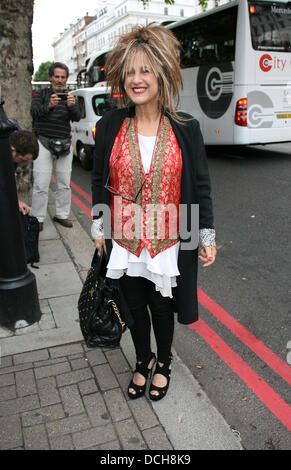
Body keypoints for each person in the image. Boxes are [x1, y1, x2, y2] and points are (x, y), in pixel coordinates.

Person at [91, 24, 217, 402]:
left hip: (167, 241)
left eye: (145, 70)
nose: (136, 79)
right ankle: (142, 359)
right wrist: (99, 227)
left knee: (162, 307)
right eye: (130, 71)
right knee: (133, 307)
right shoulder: (111, 123)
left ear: (162, 73)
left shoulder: (186, 128)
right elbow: (99, 178)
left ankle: (163, 363)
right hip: (125, 239)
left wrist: (204, 238)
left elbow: (201, 186)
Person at [30, 62, 81, 231]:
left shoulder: (70, 97)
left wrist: (72, 107)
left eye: (63, 77)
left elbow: (77, 118)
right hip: (43, 143)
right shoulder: (41, 94)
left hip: (64, 144)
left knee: (64, 183)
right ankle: (37, 219)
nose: (60, 80)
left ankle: (62, 215)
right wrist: (49, 106)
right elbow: (34, 113)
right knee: (41, 184)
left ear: (66, 79)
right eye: (57, 77)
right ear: (51, 77)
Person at [9, 129, 39, 215]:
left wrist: (17, 201)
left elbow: (11, 179)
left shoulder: (17, 140)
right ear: (12, 149)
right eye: (23, 160)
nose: (24, 164)